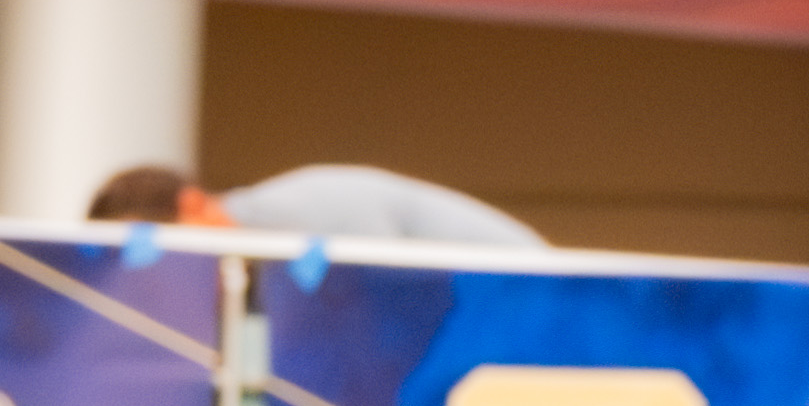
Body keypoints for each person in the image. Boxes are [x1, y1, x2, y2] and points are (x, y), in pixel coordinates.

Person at [82, 156, 552, 253]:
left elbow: (379, 282)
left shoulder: (296, 210)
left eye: (156, 243)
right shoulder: (257, 248)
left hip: (527, 290)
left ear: (193, 205)